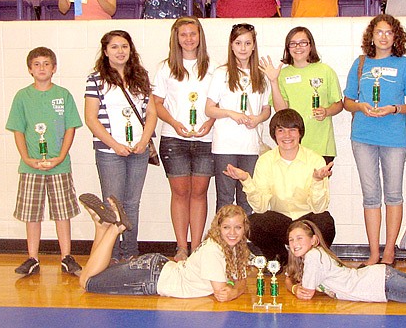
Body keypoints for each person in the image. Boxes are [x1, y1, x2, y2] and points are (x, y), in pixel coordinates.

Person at [343, 15, 406, 266]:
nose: (384, 37)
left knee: (394, 196)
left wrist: (393, 109)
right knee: (370, 197)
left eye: (389, 32)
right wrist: (361, 106)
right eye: (379, 32)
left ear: (396, 37)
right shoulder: (360, 63)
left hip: (394, 138)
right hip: (363, 136)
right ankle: (374, 253)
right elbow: (347, 102)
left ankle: (389, 252)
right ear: (371, 35)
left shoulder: (404, 65)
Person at [79, 193, 249, 300]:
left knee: (97, 272)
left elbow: (238, 279)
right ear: (218, 228)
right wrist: (236, 290)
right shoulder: (214, 250)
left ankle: (101, 227)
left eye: (238, 227)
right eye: (227, 227)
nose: (232, 233)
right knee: (87, 281)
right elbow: (222, 293)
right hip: (150, 277)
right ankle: (116, 228)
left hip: (156, 269)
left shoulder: (232, 247)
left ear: (244, 229)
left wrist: (237, 287)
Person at [223, 108, 335, 268]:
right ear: (274, 134)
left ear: (300, 133)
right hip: (281, 222)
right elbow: (260, 208)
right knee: (252, 223)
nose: (287, 136)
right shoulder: (265, 161)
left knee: (326, 223)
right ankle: (280, 258)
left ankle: (309, 262)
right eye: (281, 130)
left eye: (292, 130)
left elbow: (319, 208)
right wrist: (246, 180)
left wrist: (317, 180)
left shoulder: (315, 159)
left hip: (307, 220)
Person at [6, 47, 83, 276]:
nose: (42, 68)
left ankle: (66, 256)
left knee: (62, 212)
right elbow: (18, 131)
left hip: (60, 165)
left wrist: (60, 156)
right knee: (32, 213)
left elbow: (71, 128)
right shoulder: (22, 96)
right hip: (31, 167)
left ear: (54, 68)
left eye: (46, 63)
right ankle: (32, 258)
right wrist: (27, 159)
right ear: (30, 69)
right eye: (37, 64)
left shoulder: (63, 95)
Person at [84, 30, 158, 263]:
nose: (120, 51)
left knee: (132, 204)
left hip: (138, 151)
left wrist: (144, 141)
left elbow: (151, 112)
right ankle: (112, 255)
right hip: (110, 153)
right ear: (105, 51)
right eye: (114, 47)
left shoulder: (141, 76)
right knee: (112, 205)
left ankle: (131, 253)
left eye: (124, 46)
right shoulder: (95, 79)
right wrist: (115, 145)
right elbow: (91, 118)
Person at [285, 208, 406, 305]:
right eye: (291, 240)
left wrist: (292, 287)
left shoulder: (313, 256)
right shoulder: (317, 254)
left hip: (378, 285)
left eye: (300, 238)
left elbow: (307, 292)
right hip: (380, 278)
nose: (295, 243)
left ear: (314, 240)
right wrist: (291, 283)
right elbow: (293, 278)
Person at [153, 16, 216, 262]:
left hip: (207, 138)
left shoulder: (214, 68)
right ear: (176, 39)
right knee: (179, 193)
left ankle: (198, 247)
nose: (189, 38)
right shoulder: (166, 67)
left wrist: (209, 123)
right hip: (174, 139)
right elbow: (156, 104)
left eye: (193, 33)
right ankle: (181, 247)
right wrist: (174, 123)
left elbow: (219, 103)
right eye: (184, 35)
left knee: (199, 193)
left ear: (200, 36)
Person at [205, 23, 271, 215]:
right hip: (225, 145)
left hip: (250, 146)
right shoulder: (221, 73)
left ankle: (244, 243)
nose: (243, 48)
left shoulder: (261, 75)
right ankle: (222, 244)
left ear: (253, 46)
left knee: (247, 198)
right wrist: (231, 113)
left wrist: (258, 119)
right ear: (231, 45)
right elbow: (209, 109)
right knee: (225, 198)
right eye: (238, 43)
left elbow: (266, 109)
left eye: (247, 43)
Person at [260, 26, 343, 164]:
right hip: (291, 145)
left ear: (310, 45)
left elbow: (339, 104)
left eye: (303, 42)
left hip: (321, 146)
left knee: (318, 186)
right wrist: (273, 81)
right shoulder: (282, 75)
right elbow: (281, 111)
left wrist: (326, 111)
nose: (298, 47)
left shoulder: (326, 71)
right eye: (293, 43)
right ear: (288, 48)